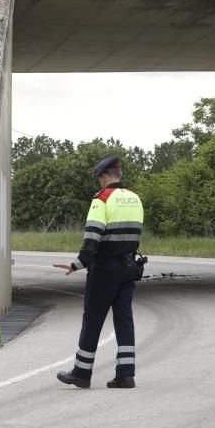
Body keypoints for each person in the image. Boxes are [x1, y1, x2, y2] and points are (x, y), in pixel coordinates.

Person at [54, 155, 144, 389]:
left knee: (93, 318)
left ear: (104, 176)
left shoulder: (102, 199)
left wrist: (77, 264)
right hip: (128, 266)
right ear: (119, 175)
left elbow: (92, 236)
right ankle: (126, 374)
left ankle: (81, 373)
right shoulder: (135, 199)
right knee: (124, 318)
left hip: (105, 269)